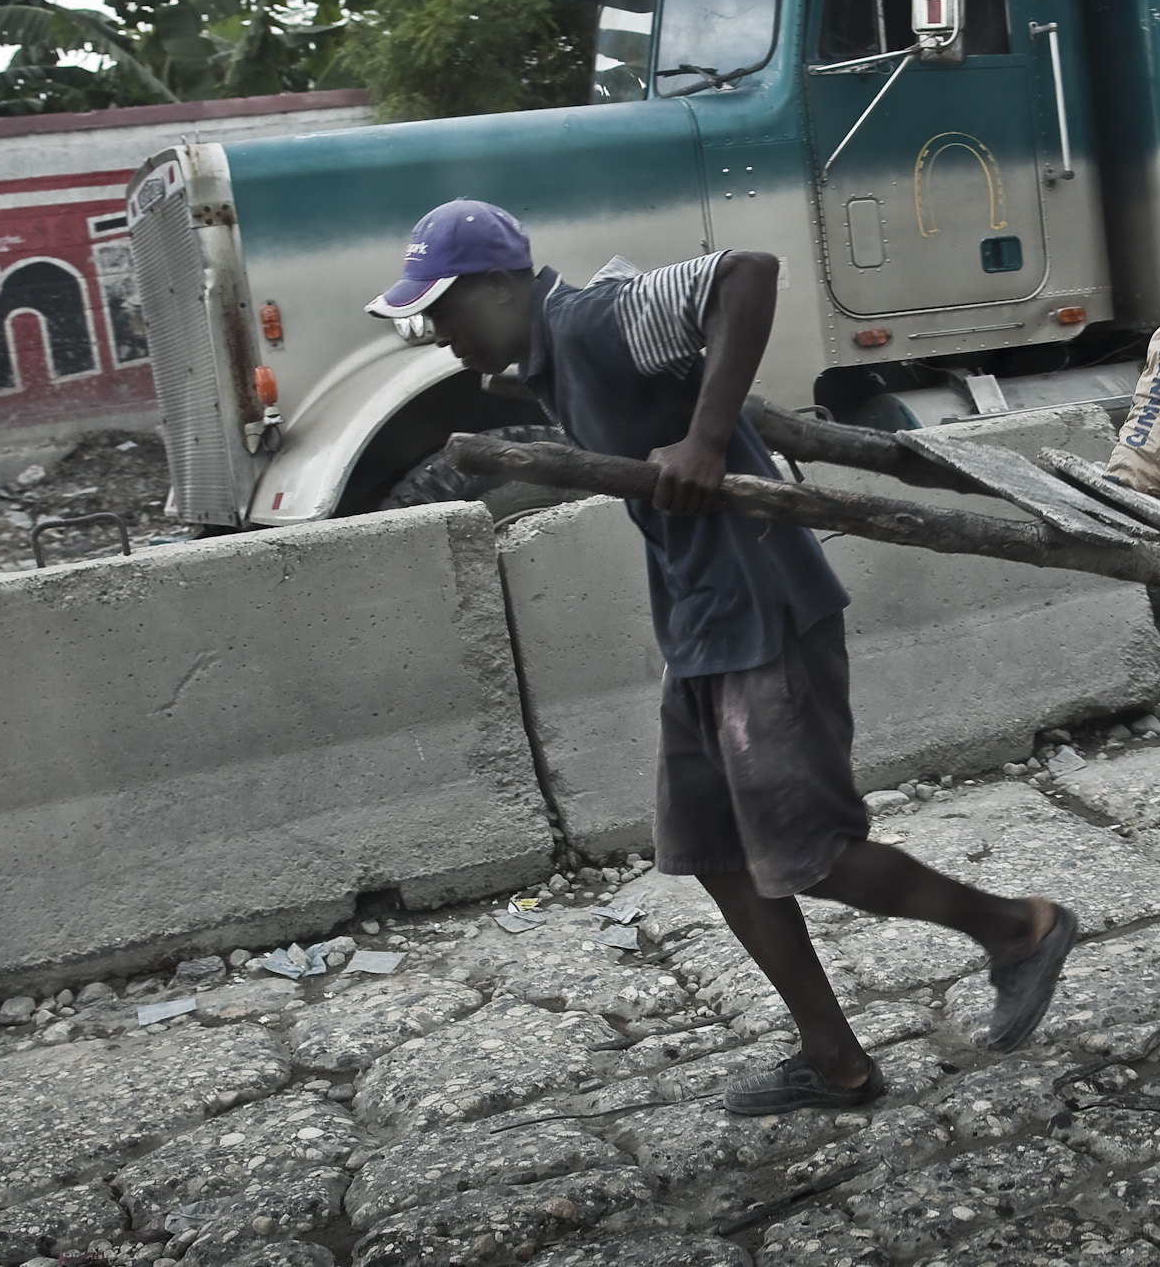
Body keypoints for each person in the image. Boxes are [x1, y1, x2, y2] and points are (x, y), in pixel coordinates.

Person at [367, 201, 1077, 1113]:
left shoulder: (590, 319)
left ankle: (1017, 928)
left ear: (503, 286)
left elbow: (746, 273)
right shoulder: (551, 361)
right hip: (702, 619)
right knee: (713, 846)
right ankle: (834, 1058)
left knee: (808, 852)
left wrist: (706, 439)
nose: (438, 333)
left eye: (446, 308)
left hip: (761, 608)